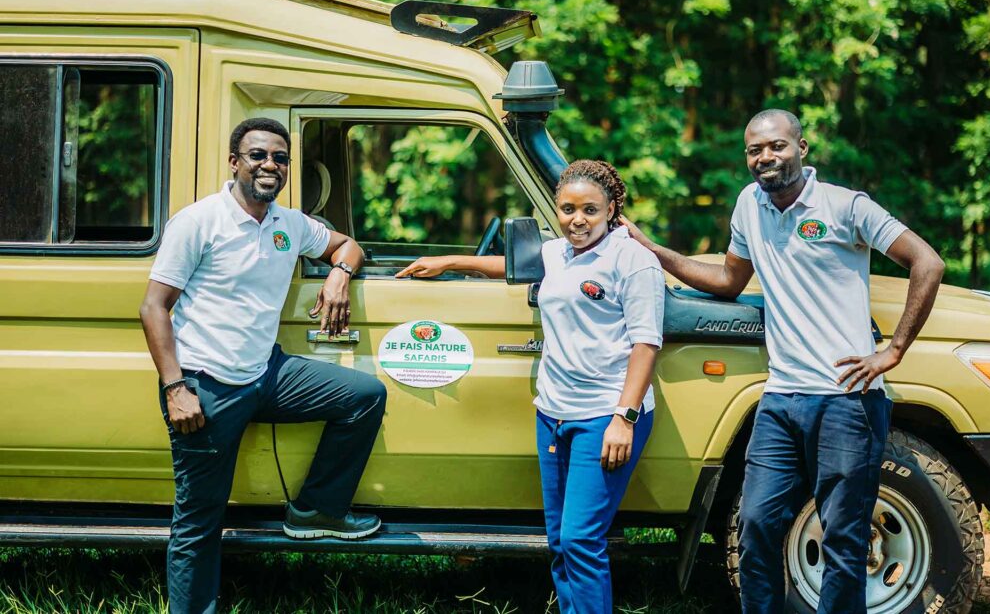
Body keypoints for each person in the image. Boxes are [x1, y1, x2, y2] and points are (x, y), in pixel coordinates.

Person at [622, 109, 945, 614]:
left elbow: (928, 261)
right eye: (755, 149)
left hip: (846, 401)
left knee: (843, 539)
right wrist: (655, 250)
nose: (766, 157)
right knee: (755, 526)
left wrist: (893, 351)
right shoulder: (750, 205)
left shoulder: (845, 206)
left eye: (777, 146)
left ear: (801, 148)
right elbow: (729, 280)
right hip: (780, 399)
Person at [139, 117, 388, 614]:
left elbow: (347, 244)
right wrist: (175, 388)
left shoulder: (288, 224)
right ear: (235, 163)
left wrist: (339, 273)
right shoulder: (199, 221)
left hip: (266, 374)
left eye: (279, 158)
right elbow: (153, 307)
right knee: (199, 522)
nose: (269, 165)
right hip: (207, 387)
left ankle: (316, 510)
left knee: (364, 395)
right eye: (257, 155)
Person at [398, 160, 665, 614]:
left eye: (589, 210)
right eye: (567, 209)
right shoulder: (558, 252)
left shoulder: (633, 260)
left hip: (605, 414)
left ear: (612, 209)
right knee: (560, 542)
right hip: (553, 412)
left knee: (582, 540)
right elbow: (508, 264)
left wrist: (625, 417)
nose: (577, 220)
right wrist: (448, 261)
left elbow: (647, 341)